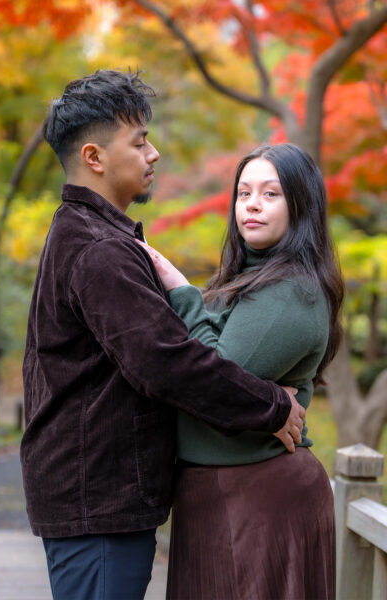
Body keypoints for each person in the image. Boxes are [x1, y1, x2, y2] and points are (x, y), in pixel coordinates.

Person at [21, 69, 307, 600]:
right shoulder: (98, 248)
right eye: (140, 141)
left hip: (96, 496)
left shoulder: (90, 235)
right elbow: (166, 361)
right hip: (98, 501)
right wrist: (272, 407)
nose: (153, 154)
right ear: (94, 158)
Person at [138, 143, 342, 599]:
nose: (251, 204)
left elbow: (216, 379)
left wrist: (180, 289)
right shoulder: (247, 278)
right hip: (219, 492)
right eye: (244, 192)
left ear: (302, 205)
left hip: (260, 496)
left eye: (271, 194)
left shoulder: (293, 291)